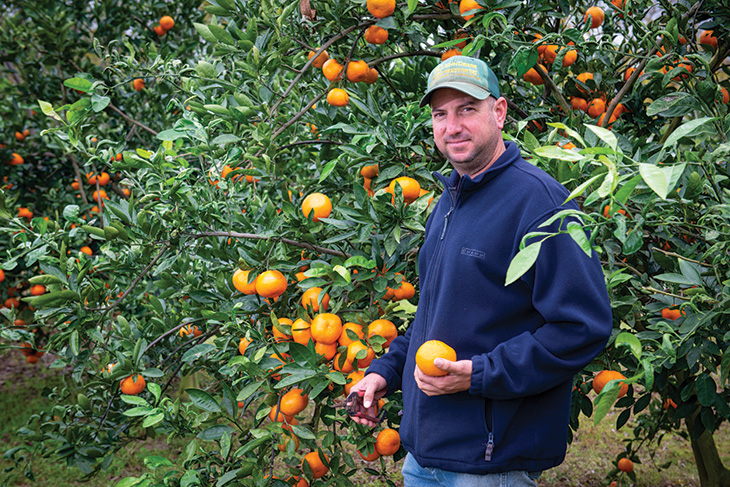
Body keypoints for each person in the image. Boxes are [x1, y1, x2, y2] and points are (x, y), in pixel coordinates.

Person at [350, 55, 613, 486]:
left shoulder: (542, 204)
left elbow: (582, 327)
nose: (452, 126)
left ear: (500, 111)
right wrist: (385, 371)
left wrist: (482, 375)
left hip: (492, 462)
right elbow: (435, 316)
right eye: (440, 114)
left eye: (467, 109)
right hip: (424, 455)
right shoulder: (448, 201)